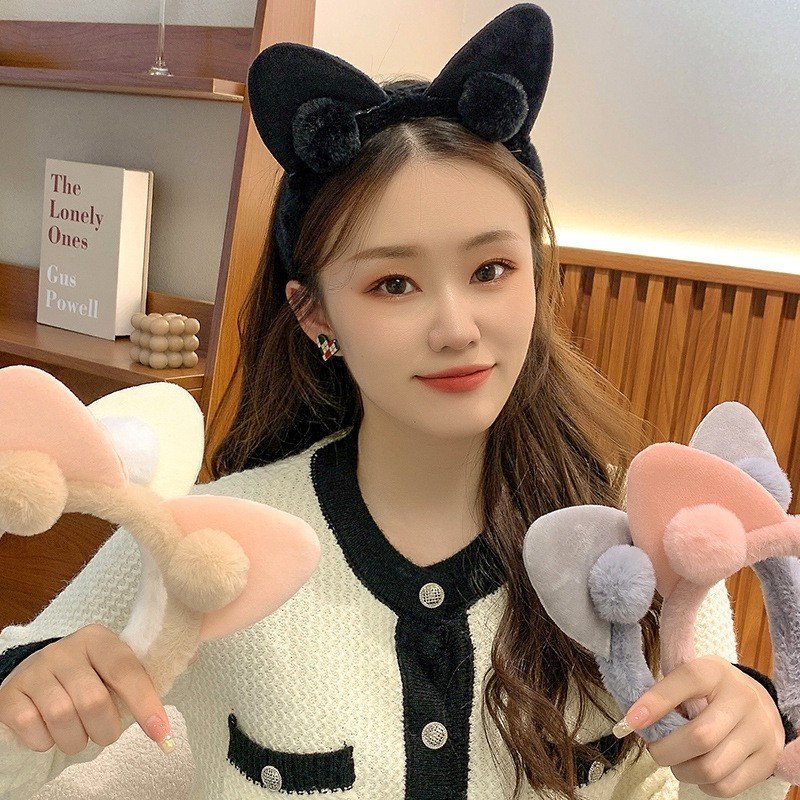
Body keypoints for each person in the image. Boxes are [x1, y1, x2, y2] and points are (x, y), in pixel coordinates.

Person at [0, 4, 793, 799]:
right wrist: (30, 701)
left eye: (491, 271)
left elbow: (696, 779)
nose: (457, 328)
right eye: (393, 284)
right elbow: (18, 732)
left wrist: (749, 748)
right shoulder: (212, 545)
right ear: (316, 315)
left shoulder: (650, 535)